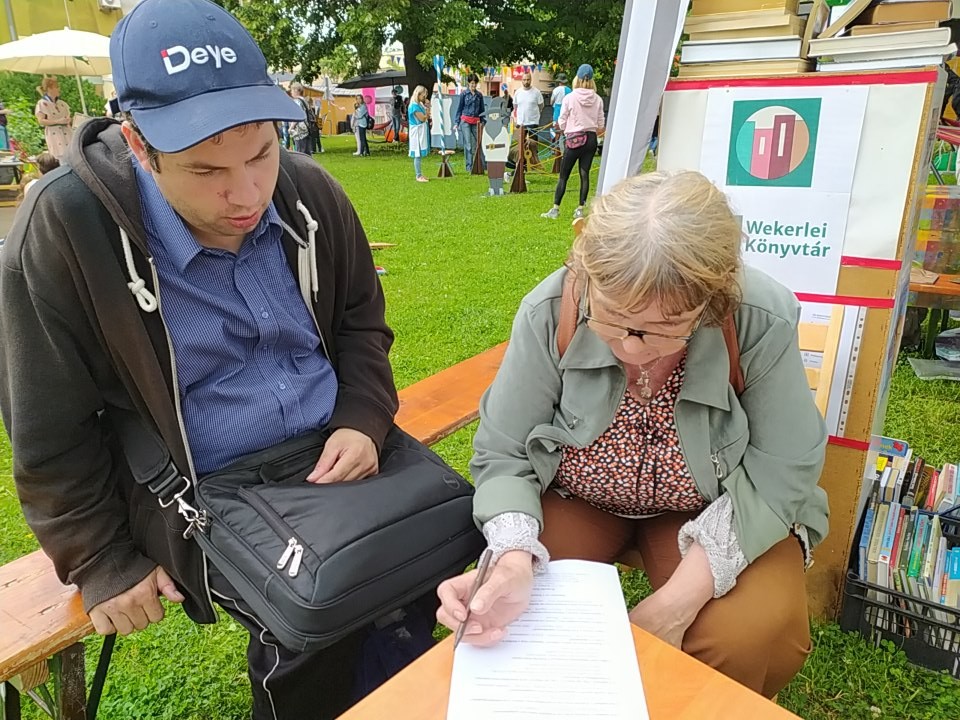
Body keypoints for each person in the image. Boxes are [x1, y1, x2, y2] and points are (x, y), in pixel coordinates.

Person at [0, 1, 411, 718]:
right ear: (138, 144)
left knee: (433, 559)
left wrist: (363, 415)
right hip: (203, 493)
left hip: (336, 450)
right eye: (205, 169)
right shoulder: (66, 227)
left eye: (261, 154)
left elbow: (360, 323)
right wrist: (100, 558)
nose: (246, 194)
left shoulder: (310, 192)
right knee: (320, 616)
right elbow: (47, 425)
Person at [436, 171, 829, 700]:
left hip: (715, 506)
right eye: (613, 317)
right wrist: (511, 556)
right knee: (523, 615)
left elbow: (785, 466)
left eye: (665, 327)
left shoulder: (758, 316)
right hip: (576, 500)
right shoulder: (551, 309)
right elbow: (504, 451)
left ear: (713, 301)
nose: (632, 347)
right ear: (586, 276)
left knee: (746, 634)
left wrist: (676, 604)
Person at [541, 64, 605, 221]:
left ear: (577, 78)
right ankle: (580, 209)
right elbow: (600, 124)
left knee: (564, 175)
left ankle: (555, 208)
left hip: (574, 139)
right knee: (584, 174)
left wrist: (564, 128)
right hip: (591, 139)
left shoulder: (569, 98)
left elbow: (562, 120)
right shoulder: (597, 99)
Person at [34, 76, 73, 160]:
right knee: (59, 156)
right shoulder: (42, 104)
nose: (59, 89)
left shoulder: (62, 103)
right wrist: (58, 121)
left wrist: (69, 120)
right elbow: (41, 121)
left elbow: (68, 117)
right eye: (56, 87)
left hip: (67, 133)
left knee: (71, 154)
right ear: (49, 89)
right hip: (54, 134)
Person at [454, 73, 485, 172]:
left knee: (479, 142)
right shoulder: (464, 94)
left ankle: (481, 164)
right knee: (468, 145)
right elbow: (459, 108)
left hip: (476, 121)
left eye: (475, 83)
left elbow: (482, 110)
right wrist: (456, 122)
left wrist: (483, 122)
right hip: (465, 121)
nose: (473, 85)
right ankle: (469, 166)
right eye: (472, 83)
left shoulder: (479, 95)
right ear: (468, 83)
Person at [408, 85, 430, 183]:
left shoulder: (419, 104)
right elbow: (423, 118)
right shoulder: (414, 106)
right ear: (418, 94)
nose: (424, 98)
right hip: (416, 132)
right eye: (423, 96)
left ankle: (420, 174)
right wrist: (428, 108)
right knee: (417, 152)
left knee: (419, 153)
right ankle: (418, 175)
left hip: (421, 130)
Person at [512, 72, 544, 140]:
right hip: (521, 123)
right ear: (522, 80)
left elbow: (541, 106)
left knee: (533, 144)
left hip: (533, 123)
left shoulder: (537, 92)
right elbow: (515, 106)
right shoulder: (517, 92)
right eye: (524, 79)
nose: (526, 81)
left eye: (528, 79)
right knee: (521, 144)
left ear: (531, 80)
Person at [288, 82, 313, 155]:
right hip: (307, 128)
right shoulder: (304, 101)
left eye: (292, 90)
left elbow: (297, 116)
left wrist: (291, 127)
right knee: (307, 153)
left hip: (299, 131)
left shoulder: (297, 102)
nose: (291, 92)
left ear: (296, 90)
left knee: (300, 153)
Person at [549, 71, 571, 150]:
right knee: (565, 132)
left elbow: (551, 102)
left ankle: (555, 148)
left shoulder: (556, 90)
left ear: (559, 82)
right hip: (567, 112)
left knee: (556, 131)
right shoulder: (570, 90)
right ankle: (566, 148)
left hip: (557, 111)